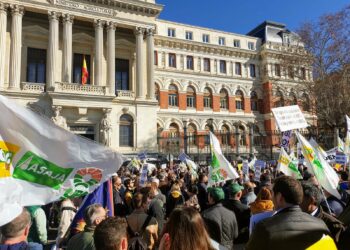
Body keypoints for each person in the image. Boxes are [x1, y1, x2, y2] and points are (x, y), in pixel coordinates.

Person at [246, 176, 331, 250]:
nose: (270, 197)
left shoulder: (264, 227)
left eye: (272, 193)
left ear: (279, 197)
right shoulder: (321, 225)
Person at [300, 182, 346, 246]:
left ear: (311, 200)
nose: (295, 201)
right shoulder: (294, 216)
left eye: (299, 198)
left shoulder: (334, 226)